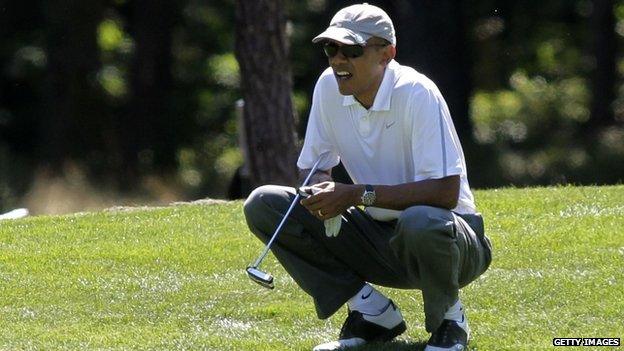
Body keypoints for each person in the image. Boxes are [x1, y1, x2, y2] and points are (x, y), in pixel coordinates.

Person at [243, 3, 492, 351]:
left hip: (450, 240)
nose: (338, 60)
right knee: (265, 203)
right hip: (379, 238)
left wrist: (356, 194)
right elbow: (314, 165)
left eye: (352, 50)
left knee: (421, 219)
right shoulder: (329, 87)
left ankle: (450, 320)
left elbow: (445, 193)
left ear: (387, 54)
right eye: (332, 48)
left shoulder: (417, 93)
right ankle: (371, 312)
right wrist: (319, 195)